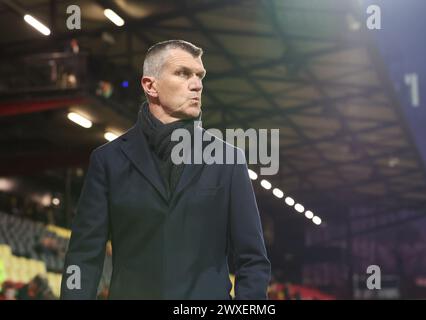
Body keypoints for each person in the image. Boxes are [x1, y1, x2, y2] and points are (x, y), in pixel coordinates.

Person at [61, 40, 270, 299]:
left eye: (199, 76)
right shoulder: (108, 161)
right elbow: (83, 257)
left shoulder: (229, 160)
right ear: (151, 86)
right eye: (183, 73)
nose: (197, 84)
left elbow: (252, 260)